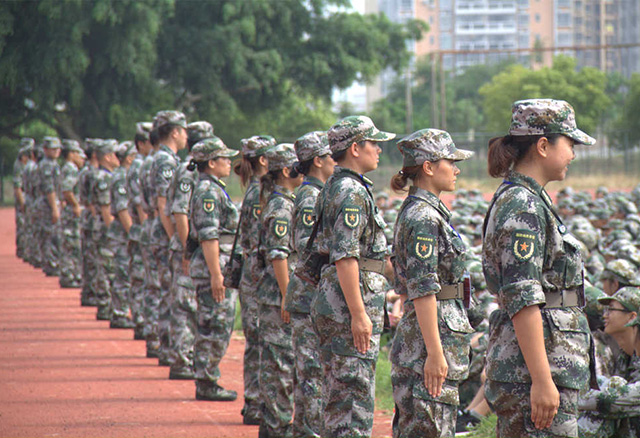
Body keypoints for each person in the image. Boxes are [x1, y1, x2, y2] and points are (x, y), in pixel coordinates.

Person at [482, 99, 597, 437]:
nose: (574, 154)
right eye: (570, 143)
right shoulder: (523, 205)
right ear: (543, 145)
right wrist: (542, 380)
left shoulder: (531, 199)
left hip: (541, 363)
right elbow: (523, 297)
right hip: (534, 369)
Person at [311, 115, 395, 438]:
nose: (379, 150)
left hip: (340, 301)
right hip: (348, 307)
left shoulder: (340, 184)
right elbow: (345, 256)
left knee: (340, 398)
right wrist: (359, 315)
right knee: (351, 404)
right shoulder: (350, 192)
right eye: (374, 143)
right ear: (356, 148)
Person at [388, 128, 475, 437]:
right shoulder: (423, 217)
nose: (457, 169)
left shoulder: (427, 212)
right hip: (428, 343)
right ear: (428, 167)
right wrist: (435, 354)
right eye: (450, 161)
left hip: (430, 337)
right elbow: (424, 289)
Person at [284, 131, 335, 438]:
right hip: (308, 296)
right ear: (318, 161)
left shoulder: (315, 193)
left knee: (309, 373)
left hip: (309, 295)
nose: (335, 161)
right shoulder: (310, 197)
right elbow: (307, 246)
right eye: (330, 156)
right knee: (312, 373)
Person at [254, 143, 303, 437]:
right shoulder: (281, 206)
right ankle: (275, 426)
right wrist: (288, 295)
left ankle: (276, 424)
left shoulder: (283, 201)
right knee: (278, 364)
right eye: (297, 166)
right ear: (286, 171)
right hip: (276, 297)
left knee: (280, 362)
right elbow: (278, 254)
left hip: (277, 295)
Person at [188, 137, 239, 401]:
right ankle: (206, 381)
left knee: (216, 324)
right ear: (211, 162)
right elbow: (209, 237)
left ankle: (206, 377)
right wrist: (217, 275)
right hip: (214, 265)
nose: (229, 163)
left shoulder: (213, 188)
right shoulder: (208, 191)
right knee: (214, 325)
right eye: (224, 158)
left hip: (216, 263)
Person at [233, 134, 276, 425]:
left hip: (253, 271)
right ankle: (257, 402)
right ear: (263, 160)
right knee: (262, 340)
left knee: (256, 340)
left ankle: (254, 401)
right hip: (258, 274)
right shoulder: (260, 191)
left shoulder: (254, 189)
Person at [167, 120, 214, 380]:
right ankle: (182, 360)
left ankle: (190, 357)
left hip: (196, 247)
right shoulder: (189, 172)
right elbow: (180, 213)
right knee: (185, 305)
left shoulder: (191, 169)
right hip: (191, 248)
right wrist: (188, 251)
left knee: (192, 304)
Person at [150, 110, 188, 366]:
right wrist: (177, 239)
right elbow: (164, 205)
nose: (186, 136)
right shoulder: (166, 161)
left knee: (168, 293)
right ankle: (173, 352)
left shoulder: (164, 158)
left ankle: (167, 348)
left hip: (164, 236)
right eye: (184, 131)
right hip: (166, 236)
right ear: (175, 132)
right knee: (174, 295)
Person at [127, 122, 153, 340]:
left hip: (144, 230)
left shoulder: (142, 164)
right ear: (141, 144)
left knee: (144, 278)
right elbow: (139, 205)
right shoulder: (139, 166)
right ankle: (142, 321)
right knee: (142, 278)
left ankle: (142, 321)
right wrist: (147, 230)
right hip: (143, 230)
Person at [107, 141, 136, 328]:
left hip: (124, 235)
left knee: (125, 273)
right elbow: (123, 210)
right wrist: (133, 234)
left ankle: (121, 311)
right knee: (123, 273)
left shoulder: (122, 175)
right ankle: (118, 314)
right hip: (122, 236)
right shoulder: (121, 177)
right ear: (128, 158)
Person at [93, 139, 120, 321]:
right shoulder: (105, 178)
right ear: (109, 157)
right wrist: (114, 233)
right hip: (106, 230)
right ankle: (105, 306)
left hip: (102, 228)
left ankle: (107, 305)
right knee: (107, 268)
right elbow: (105, 209)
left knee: (107, 267)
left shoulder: (105, 175)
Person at [59, 139, 85, 288]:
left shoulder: (66, 168)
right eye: (77, 154)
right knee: (72, 243)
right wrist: (75, 205)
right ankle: (69, 275)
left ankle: (69, 274)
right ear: (71, 154)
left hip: (68, 210)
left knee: (69, 243)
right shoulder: (71, 169)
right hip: (71, 212)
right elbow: (67, 190)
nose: (81, 158)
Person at [37, 136, 62, 277]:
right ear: (45, 150)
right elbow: (49, 189)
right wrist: (54, 208)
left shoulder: (52, 163)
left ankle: (52, 262)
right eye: (53, 149)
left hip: (52, 202)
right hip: (48, 204)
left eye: (57, 148)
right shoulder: (46, 164)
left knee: (53, 234)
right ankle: (51, 264)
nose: (56, 151)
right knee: (51, 234)